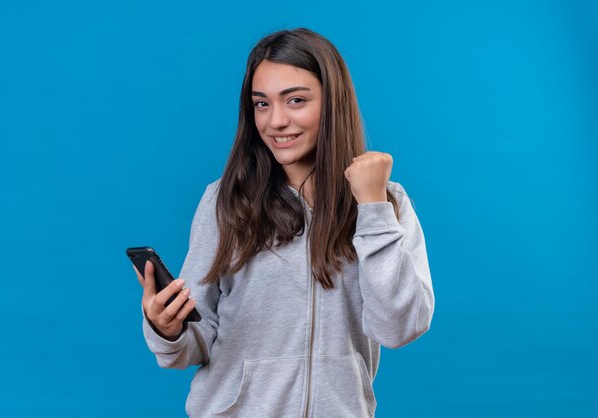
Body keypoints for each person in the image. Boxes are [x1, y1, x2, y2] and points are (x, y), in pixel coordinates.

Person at [133, 27, 435, 418]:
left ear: (333, 102)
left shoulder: (385, 202)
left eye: (295, 100)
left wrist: (373, 207)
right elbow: (198, 336)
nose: (275, 121)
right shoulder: (224, 201)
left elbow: (400, 328)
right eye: (262, 103)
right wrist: (167, 328)